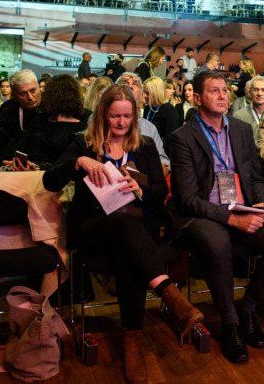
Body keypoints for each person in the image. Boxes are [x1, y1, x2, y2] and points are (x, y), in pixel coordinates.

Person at [43, 85, 202, 384]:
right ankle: (168, 293)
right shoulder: (83, 143)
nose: (121, 123)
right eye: (115, 116)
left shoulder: (143, 146)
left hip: (134, 230)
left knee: (127, 252)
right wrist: (79, 162)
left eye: (127, 116)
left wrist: (141, 189)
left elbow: (159, 191)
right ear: (103, 114)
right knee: (124, 228)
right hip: (91, 227)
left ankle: (133, 342)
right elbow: (49, 180)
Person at [170, 71, 264, 363]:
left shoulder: (240, 129)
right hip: (202, 215)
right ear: (197, 98)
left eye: (225, 90)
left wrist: (261, 201)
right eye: (215, 91)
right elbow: (187, 200)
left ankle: (247, 309)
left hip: (241, 207)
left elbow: (255, 174)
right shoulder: (182, 138)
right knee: (218, 243)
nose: (223, 95)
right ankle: (230, 323)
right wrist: (231, 219)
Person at [14, 75, 90, 169]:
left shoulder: (81, 128)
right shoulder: (39, 119)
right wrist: (18, 163)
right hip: (28, 171)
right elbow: (21, 149)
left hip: (52, 176)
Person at [0, 70, 43, 167]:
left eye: (33, 91)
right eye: (23, 94)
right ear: (14, 96)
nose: (30, 97)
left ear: (39, 87)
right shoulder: (7, 110)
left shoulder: (50, 105)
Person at [116, 73, 170, 169]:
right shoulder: (99, 119)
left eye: (135, 84)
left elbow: (163, 159)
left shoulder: (150, 128)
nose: (130, 86)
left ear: (141, 96)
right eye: (125, 83)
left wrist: (161, 166)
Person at [232, 76, 264, 141]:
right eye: (256, 89)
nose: (259, 93)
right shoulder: (239, 116)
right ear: (250, 92)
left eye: (263, 90)